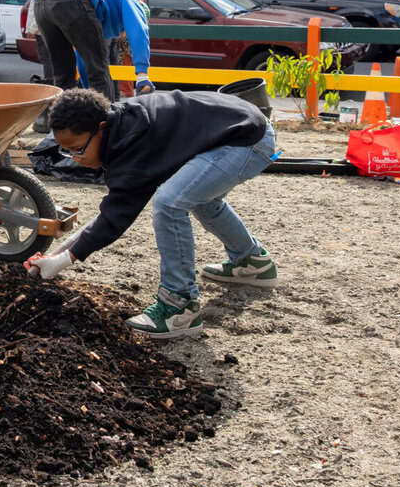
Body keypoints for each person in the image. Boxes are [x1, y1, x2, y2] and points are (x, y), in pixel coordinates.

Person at [25, 87, 278, 339]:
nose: (74, 158)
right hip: (236, 125)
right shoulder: (122, 126)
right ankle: (251, 261)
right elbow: (110, 213)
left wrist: (61, 261)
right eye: (65, 151)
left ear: (101, 127)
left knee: (170, 202)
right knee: (197, 197)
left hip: (247, 138)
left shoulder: (134, 147)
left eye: (78, 149)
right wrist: (56, 258)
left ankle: (179, 307)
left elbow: (114, 219)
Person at [30, 0, 153, 102]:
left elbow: (84, 57)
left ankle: (65, 119)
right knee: (100, 70)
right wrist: (142, 75)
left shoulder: (104, 11)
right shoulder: (132, 1)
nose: (125, 35)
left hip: (41, 2)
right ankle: (107, 119)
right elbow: (139, 30)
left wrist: (89, 93)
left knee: (63, 75)